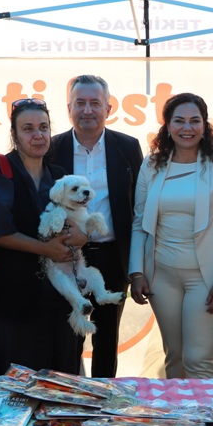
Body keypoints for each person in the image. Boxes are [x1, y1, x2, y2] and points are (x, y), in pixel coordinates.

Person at [0, 98, 83, 375]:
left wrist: (81, 236)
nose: (37, 135)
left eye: (43, 127)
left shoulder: (60, 176)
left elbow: (80, 223)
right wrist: (46, 250)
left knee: (58, 384)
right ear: (14, 135)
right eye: (28, 128)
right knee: (15, 388)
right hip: (10, 301)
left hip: (58, 300)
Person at [129, 93, 213, 379]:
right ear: (167, 126)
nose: (187, 128)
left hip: (204, 279)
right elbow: (139, 222)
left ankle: (205, 422)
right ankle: (178, 423)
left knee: (198, 360)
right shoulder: (152, 165)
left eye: (195, 121)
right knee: (174, 358)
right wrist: (136, 272)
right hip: (161, 276)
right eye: (179, 121)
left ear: (205, 126)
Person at [48, 75, 143, 377]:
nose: (87, 110)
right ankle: (68, 401)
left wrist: (137, 265)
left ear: (108, 108)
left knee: (107, 338)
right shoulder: (52, 148)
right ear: (68, 108)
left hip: (112, 256)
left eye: (95, 103)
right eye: (80, 103)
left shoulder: (127, 147)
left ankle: (104, 403)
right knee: (67, 336)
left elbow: (137, 207)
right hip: (66, 257)